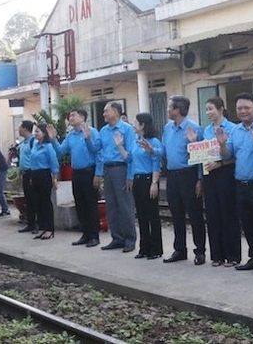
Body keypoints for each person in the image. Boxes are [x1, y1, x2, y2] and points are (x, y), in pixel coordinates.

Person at [217, 93, 253, 277]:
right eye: (239, 108)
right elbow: (228, 155)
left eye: (247, 108)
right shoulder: (235, 130)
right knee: (248, 223)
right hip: (241, 184)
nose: (243, 111)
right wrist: (222, 145)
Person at [145, 95, 206, 265]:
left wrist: (200, 179)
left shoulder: (194, 128)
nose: (167, 110)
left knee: (195, 215)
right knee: (176, 214)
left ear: (177, 110)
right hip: (172, 175)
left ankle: (199, 251)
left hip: (189, 174)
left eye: (169, 107)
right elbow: (164, 151)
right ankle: (180, 249)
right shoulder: (168, 128)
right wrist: (153, 150)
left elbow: (201, 157)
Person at [191, 96, 241, 267]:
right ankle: (217, 255)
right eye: (206, 109)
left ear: (221, 109)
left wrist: (220, 162)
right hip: (208, 174)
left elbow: (235, 156)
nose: (208, 113)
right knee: (212, 215)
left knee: (228, 214)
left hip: (226, 173)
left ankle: (233, 255)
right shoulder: (206, 130)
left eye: (211, 109)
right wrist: (200, 177)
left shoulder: (233, 128)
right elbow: (202, 156)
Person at [87, 102, 137, 252]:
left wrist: (130, 176)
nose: (104, 114)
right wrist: (88, 138)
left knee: (125, 206)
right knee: (111, 206)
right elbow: (96, 149)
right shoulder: (103, 130)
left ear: (115, 112)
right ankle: (117, 238)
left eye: (106, 111)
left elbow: (132, 155)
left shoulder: (127, 129)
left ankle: (129, 239)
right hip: (108, 169)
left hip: (121, 168)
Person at [48, 109, 101, 248]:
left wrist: (98, 174)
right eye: (69, 115)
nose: (70, 118)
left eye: (73, 115)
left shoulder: (92, 132)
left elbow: (98, 153)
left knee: (91, 205)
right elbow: (60, 151)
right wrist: (53, 139)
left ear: (82, 117)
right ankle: (85, 234)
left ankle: (94, 236)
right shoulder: (70, 136)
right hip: (76, 173)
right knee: (80, 204)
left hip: (90, 171)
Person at [118, 112, 164, 260]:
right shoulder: (135, 141)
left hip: (149, 178)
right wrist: (119, 146)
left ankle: (156, 249)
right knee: (142, 216)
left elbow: (157, 162)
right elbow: (129, 159)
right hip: (137, 180)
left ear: (143, 125)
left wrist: (154, 183)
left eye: (135, 122)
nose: (133, 125)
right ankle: (144, 248)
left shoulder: (154, 141)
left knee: (152, 215)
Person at [29, 123, 60, 240]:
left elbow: (54, 163)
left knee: (46, 202)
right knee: (37, 202)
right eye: (35, 131)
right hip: (35, 174)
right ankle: (41, 227)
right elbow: (32, 162)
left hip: (44, 175)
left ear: (44, 133)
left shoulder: (48, 147)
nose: (35, 133)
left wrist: (55, 178)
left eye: (38, 131)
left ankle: (49, 229)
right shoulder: (35, 145)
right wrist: (32, 177)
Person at [17, 121, 39, 233]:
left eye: (20, 127)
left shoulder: (33, 142)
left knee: (35, 199)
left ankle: (37, 224)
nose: (18, 130)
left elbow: (35, 158)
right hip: (25, 173)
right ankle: (30, 223)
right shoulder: (24, 143)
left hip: (32, 172)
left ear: (25, 129)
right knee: (28, 200)